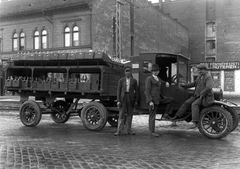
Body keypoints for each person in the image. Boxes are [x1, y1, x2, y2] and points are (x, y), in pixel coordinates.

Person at [172, 64, 214, 129]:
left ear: (205, 70)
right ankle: (177, 116)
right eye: (199, 70)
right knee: (187, 103)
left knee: (194, 105)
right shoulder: (200, 76)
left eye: (201, 70)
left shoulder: (208, 77)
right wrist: (185, 86)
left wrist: (202, 94)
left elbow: (209, 87)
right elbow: (194, 83)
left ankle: (195, 122)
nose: (199, 71)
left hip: (204, 96)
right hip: (196, 95)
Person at [145, 64, 175, 137]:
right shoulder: (149, 79)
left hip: (159, 98)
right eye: (154, 71)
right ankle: (151, 131)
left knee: (171, 100)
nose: (155, 72)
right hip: (153, 100)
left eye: (157, 71)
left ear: (158, 71)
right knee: (152, 116)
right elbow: (147, 91)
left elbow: (162, 81)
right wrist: (150, 101)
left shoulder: (158, 78)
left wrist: (167, 82)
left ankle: (166, 114)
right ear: (152, 72)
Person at [114, 65, 139, 136]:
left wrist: (136, 100)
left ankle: (129, 130)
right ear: (124, 72)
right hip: (123, 98)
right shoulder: (121, 80)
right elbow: (118, 91)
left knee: (130, 114)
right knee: (121, 114)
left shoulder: (134, 81)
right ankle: (119, 130)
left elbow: (136, 91)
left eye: (129, 71)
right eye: (126, 71)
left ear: (131, 72)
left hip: (131, 98)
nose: (128, 73)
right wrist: (118, 100)